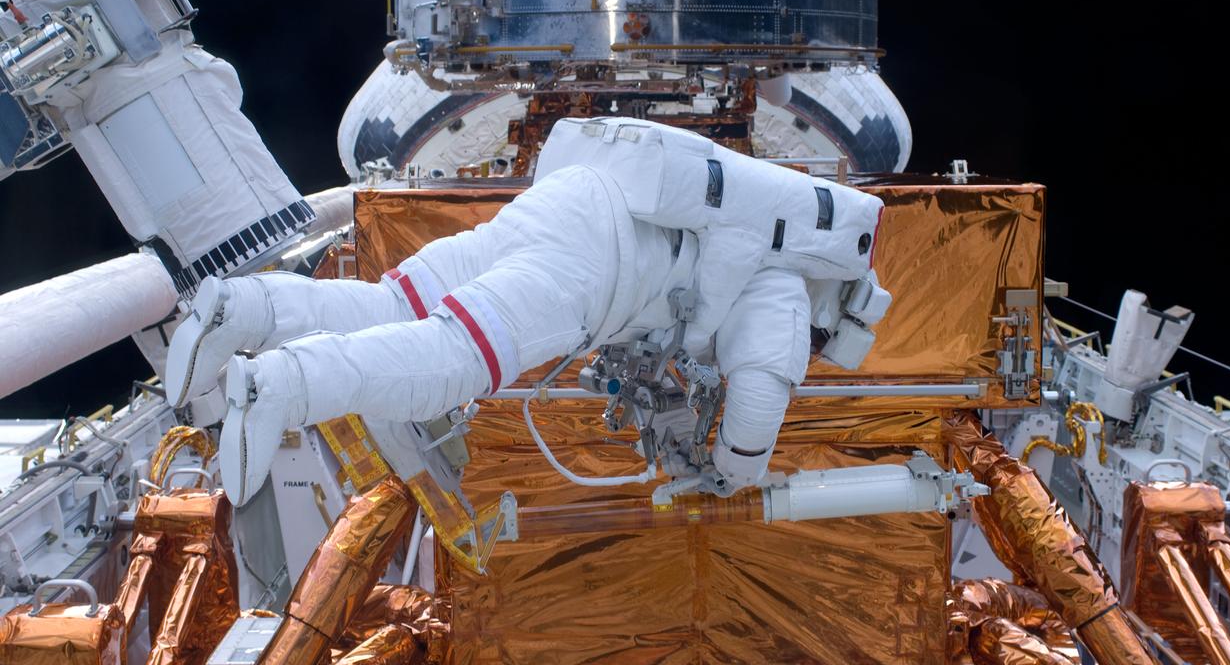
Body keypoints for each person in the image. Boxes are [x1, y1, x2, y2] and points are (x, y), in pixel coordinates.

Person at [166, 118, 888, 506]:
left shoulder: (758, 230)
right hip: (597, 266)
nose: (812, 344)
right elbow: (760, 394)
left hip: (569, 202)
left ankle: (242, 308)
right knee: (452, 360)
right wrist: (736, 472)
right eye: (822, 339)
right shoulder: (786, 287)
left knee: (395, 302)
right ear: (834, 303)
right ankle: (282, 386)